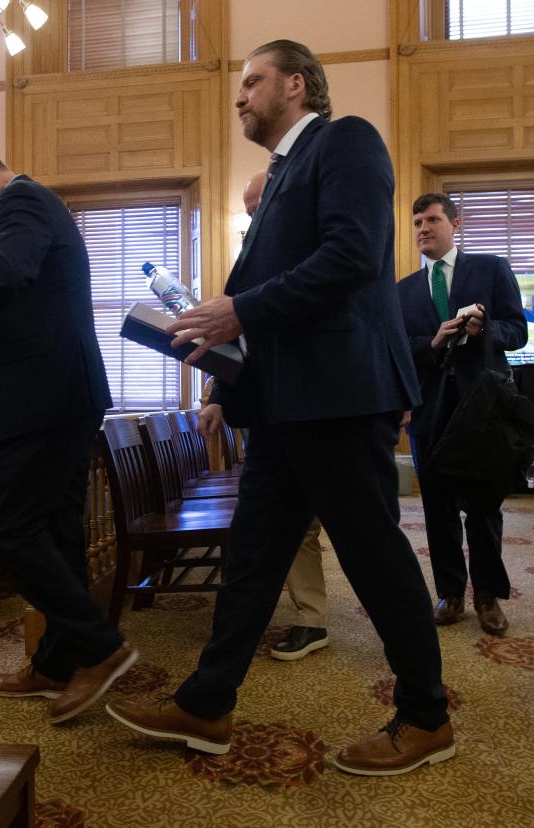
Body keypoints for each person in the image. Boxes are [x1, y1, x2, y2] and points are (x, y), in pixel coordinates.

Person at [106, 40, 452, 777]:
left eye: (252, 81)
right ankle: (207, 702)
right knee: (255, 560)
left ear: (296, 85)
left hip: (339, 395)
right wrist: (221, 351)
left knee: (372, 554)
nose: (239, 95)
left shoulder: (344, 140)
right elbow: (275, 298)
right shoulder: (283, 175)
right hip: (286, 405)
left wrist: (240, 313)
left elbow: (352, 256)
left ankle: (426, 717)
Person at [0, 141, 134, 726]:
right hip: (55, 398)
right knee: (57, 532)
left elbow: (7, 274)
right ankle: (55, 662)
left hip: (45, 403)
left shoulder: (23, 203)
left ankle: (101, 647)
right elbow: (20, 301)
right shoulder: (29, 210)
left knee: (8, 527)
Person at [200, 169, 330, 662]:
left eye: (260, 208)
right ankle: (308, 620)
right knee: (288, 527)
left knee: (359, 529)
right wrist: (216, 398)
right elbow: (241, 344)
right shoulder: (254, 258)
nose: (253, 218)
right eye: (249, 212)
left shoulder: (307, 249)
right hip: (269, 416)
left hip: (322, 409)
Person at [398, 193, 528, 637]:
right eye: (417, 222)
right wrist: (432, 342)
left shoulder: (491, 269)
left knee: (483, 509)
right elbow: (401, 352)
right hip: (429, 414)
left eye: (432, 219)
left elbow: (518, 332)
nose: (423, 229)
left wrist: (483, 328)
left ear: (456, 223)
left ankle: (488, 597)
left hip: (484, 412)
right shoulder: (403, 289)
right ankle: (450, 593)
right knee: (437, 509)